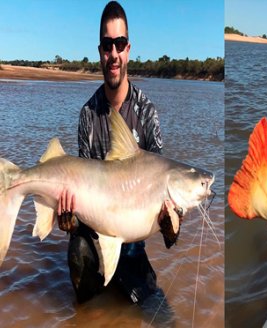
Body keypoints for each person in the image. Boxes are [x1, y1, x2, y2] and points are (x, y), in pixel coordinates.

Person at [57, 1, 164, 305]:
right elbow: (86, 196)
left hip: (131, 244)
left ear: (128, 49)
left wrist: (171, 227)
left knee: (145, 301)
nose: (113, 54)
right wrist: (70, 220)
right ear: (100, 50)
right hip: (92, 237)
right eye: (107, 45)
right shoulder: (88, 115)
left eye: (119, 44)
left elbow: (165, 228)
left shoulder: (146, 112)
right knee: (77, 253)